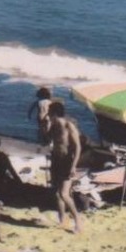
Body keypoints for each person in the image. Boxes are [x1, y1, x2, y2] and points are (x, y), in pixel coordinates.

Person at [45, 98, 84, 235]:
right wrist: (46, 125)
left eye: (49, 112)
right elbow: (45, 140)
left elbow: (78, 147)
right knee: (57, 193)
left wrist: (74, 166)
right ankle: (62, 220)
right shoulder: (54, 126)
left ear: (55, 113)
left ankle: (78, 222)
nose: (47, 114)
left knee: (64, 194)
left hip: (67, 162)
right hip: (56, 161)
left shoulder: (69, 126)